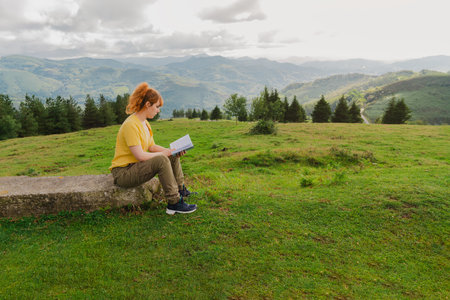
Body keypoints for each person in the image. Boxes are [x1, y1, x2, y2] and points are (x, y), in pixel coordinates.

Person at [110, 82, 197, 215]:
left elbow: (151, 146)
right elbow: (140, 155)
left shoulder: (145, 123)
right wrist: (164, 154)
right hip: (123, 173)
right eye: (156, 107)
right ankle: (174, 203)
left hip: (135, 167)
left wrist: (172, 151)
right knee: (162, 159)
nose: (158, 110)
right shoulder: (131, 125)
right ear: (147, 105)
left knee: (169, 155)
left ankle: (180, 190)